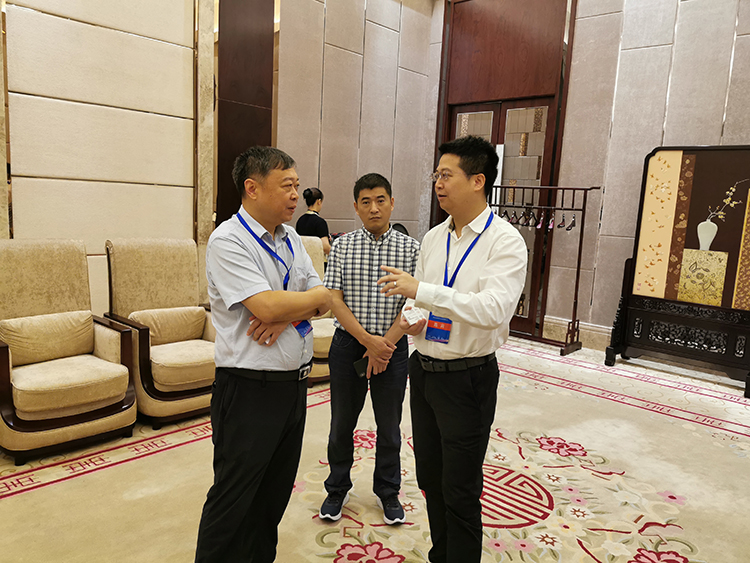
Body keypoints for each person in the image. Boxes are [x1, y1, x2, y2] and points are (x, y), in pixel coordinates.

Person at [377, 135, 527, 563]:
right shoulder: (433, 238)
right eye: (436, 175)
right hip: (424, 371)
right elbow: (420, 302)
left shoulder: (505, 241)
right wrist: (410, 318)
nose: (438, 183)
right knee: (431, 478)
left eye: (447, 175)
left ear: (478, 180)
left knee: (460, 488)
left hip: (468, 377)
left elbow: (493, 310)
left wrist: (421, 291)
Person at [195, 146, 332, 563]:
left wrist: (284, 312)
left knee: (272, 497)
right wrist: (288, 307)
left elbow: (324, 297)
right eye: (286, 185)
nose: (295, 195)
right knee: (234, 499)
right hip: (249, 389)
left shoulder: (292, 239)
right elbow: (269, 307)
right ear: (252, 188)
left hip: (293, 386)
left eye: (297, 185)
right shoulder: (227, 240)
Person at [319, 173, 420, 525]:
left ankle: (388, 491)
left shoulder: (412, 249)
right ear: (356, 207)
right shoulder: (342, 246)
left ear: (392, 203)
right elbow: (334, 299)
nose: (374, 208)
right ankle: (336, 487)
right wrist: (367, 341)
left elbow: (414, 304)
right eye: (366, 202)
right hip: (350, 345)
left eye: (380, 200)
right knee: (341, 423)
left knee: (389, 425)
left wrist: (384, 344)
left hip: (392, 347)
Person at [296, 187, 331, 255]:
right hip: (316, 259)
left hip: (302, 258)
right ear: (319, 201)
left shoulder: (300, 220)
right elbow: (325, 247)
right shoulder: (320, 222)